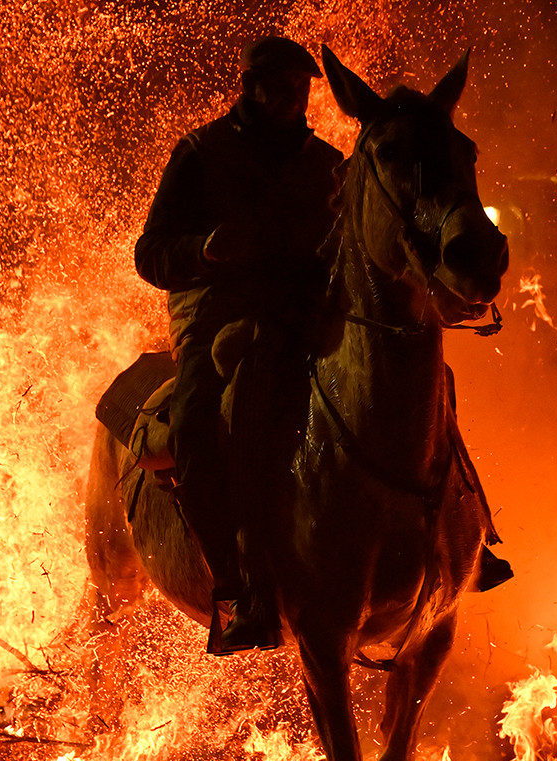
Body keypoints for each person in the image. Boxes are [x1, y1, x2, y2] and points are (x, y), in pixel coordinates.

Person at [134, 36, 343, 655]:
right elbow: (151, 252)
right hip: (215, 313)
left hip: (302, 315)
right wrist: (202, 252)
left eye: (302, 89)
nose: (294, 99)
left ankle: (466, 534)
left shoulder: (328, 164)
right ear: (251, 86)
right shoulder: (201, 153)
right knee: (198, 421)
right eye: (282, 87)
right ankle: (234, 590)